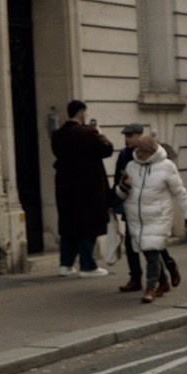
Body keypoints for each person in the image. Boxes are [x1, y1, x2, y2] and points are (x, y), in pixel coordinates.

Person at [115, 135, 187, 303]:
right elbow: (122, 193)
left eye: (142, 151)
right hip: (137, 217)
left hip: (158, 215)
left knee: (152, 251)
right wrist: (124, 186)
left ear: (150, 151)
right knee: (147, 250)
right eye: (137, 150)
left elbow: (180, 192)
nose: (139, 154)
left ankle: (150, 287)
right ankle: (164, 280)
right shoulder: (131, 165)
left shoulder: (166, 166)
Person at [51, 99, 114, 277]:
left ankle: (66, 264)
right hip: (88, 186)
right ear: (81, 112)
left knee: (68, 224)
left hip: (64, 185)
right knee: (88, 224)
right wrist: (100, 134)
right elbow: (107, 150)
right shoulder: (88, 133)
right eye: (85, 112)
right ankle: (88, 265)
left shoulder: (58, 135)